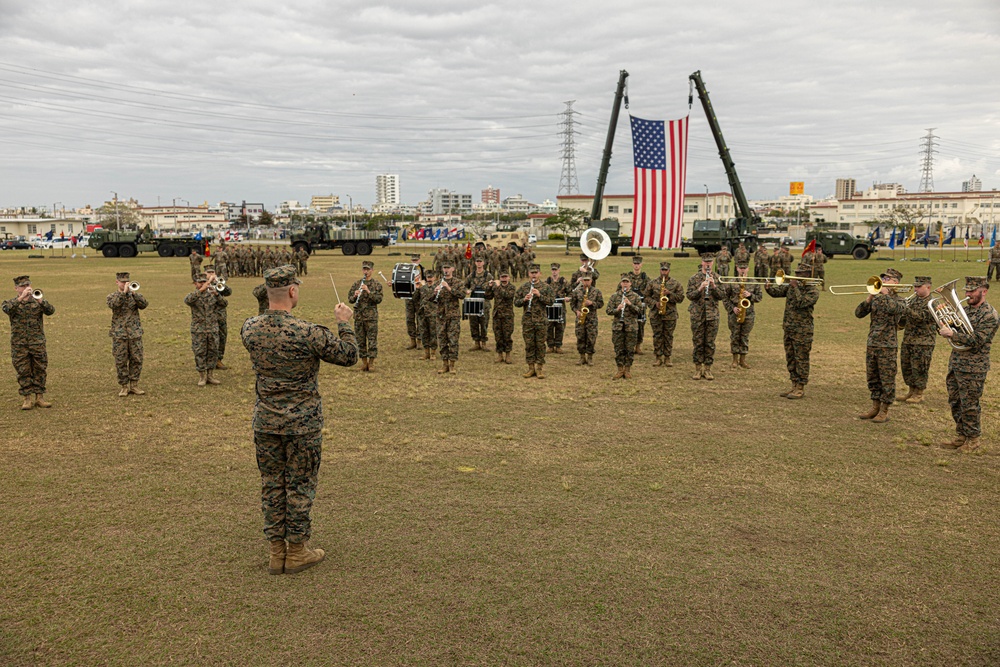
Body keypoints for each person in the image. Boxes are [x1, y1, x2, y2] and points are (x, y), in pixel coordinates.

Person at [241, 265, 358, 575]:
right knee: (300, 485)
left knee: (272, 485)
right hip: (301, 425)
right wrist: (344, 323)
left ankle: (276, 552)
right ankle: (296, 551)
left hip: (266, 422)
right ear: (292, 291)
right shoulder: (308, 332)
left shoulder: (250, 328)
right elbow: (348, 355)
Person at [938, 277, 998, 452]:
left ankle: (973, 439)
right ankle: (961, 435)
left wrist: (952, 334)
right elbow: (952, 329)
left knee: (970, 404)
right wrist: (942, 323)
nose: (967, 294)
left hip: (974, 367)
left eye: (972, 291)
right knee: (955, 401)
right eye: (966, 291)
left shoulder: (990, 315)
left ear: (984, 291)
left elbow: (978, 340)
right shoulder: (964, 310)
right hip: (956, 363)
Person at [855, 268, 907, 423]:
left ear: (895, 283)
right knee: (873, 377)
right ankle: (875, 406)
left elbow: (897, 310)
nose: (883, 280)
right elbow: (858, 313)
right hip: (872, 343)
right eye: (883, 278)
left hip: (888, 346)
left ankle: (884, 409)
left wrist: (885, 294)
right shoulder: (876, 298)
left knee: (887, 379)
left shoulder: (900, 300)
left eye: (887, 278)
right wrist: (870, 296)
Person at [766, 264, 820, 399]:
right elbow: (777, 293)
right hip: (789, 328)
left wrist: (795, 287)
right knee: (790, 357)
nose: (796, 275)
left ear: (807, 274)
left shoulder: (812, 290)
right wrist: (768, 288)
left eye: (799, 273)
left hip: (803, 330)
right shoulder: (792, 287)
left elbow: (801, 303)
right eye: (796, 273)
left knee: (801, 358)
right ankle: (793, 384)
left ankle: (801, 387)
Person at [3, 275, 55, 409]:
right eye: (23, 286)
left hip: (37, 342)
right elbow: (7, 309)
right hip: (19, 344)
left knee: (40, 369)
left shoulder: (37, 301)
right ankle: (27, 399)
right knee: (23, 370)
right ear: (16, 288)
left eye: (28, 285)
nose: (26, 288)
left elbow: (50, 311)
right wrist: (21, 298)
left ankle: (40, 397)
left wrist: (41, 301)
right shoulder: (12, 303)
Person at [107, 271, 148, 397]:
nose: (125, 283)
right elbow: (114, 305)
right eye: (122, 281)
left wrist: (134, 294)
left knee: (136, 359)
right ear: (117, 282)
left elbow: (144, 305)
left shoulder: (134, 296)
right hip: (120, 334)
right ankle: (124, 386)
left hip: (134, 333)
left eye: (127, 281)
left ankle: (134, 385)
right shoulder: (112, 296)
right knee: (121, 360)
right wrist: (124, 293)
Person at [898, 276, 937, 404]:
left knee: (920, 367)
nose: (916, 289)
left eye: (919, 287)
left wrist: (906, 309)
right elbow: (905, 319)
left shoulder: (933, 303)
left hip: (923, 341)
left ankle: (919, 393)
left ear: (928, 287)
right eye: (915, 286)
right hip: (909, 339)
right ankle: (911, 390)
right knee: (907, 366)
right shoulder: (913, 300)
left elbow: (922, 317)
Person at [686, 253, 724, 380]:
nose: (707, 264)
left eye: (710, 262)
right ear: (702, 262)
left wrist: (713, 286)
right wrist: (700, 288)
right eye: (705, 261)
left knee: (710, 342)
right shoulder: (694, 278)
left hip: (712, 315)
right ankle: (697, 369)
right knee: (698, 342)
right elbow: (690, 295)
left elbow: (722, 295)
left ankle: (707, 369)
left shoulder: (718, 278)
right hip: (698, 315)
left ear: (712, 263)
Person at [184, 271, 225, 386]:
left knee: (212, 351)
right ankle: (202, 376)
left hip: (212, 329)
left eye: (203, 282)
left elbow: (224, 304)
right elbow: (187, 300)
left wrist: (217, 294)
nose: (202, 284)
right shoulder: (194, 296)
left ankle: (210, 375)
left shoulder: (212, 294)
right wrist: (201, 291)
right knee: (200, 352)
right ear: (195, 284)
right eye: (199, 283)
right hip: (199, 330)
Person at [515, 263, 555, 378]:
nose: (534, 275)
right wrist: (524, 299)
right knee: (529, 344)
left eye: (536, 273)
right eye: (532, 273)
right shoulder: (523, 287)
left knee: (540, 345)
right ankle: (530, 368)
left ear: (540, 274)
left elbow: (551, 301)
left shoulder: (546, 287)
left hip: (541, 321)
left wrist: (540, 295)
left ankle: (539, 368)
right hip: (528, 321)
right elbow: (516, 302)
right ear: (528, 274)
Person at [643, 261, 685, 367]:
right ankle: (658, 357)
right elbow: (646, 296)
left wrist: (669, 294)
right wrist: (654, 303)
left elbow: (681, 298)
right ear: (660, 270)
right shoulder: (653, 283)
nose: (664, 272)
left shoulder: (675, 283)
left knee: (668, 336)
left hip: (670, 314)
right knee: (657, 335)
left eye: (666, 270)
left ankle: (667, 357)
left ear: (669, 271)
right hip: (656, 314)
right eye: (662, 270)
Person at [723, 262, 762, 369]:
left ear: (748, 269)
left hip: (748, 313)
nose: (742, 270)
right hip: (735, 312)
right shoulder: (731, 282)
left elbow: (759, 297)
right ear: (737, 268)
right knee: (735, 335)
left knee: (744, 336)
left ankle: (743, 360)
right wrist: (732, 308)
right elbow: (725, 298)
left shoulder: (754, 282)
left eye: (744, 268)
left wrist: (750, 295)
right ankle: (734, 360)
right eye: (740, 268)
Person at [606, 273, 642, 379]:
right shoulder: (615, 296)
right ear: (621, 283)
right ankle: (620, 369)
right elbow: (608, 310)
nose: (625, 284)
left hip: (631, 327)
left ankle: (627, 370)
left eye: (627, 282)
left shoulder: (635, 297)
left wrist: (630, 304)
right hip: (618, 327)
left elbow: (639, 311)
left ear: (630, 284)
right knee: (619, 348)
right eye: (623, 282)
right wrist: (617, 309)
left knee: (629, 349)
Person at [349, 260, 384, 372]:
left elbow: (379, 299)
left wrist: (368, 291)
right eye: (364, 269)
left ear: (372, 270)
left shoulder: (376, 284)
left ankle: (371, 363)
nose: (366, 271)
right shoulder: (356, 284)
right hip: (359, 317)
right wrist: (355, 295)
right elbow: (350, 299)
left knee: (372, 340)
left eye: (368, 269)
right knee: (360, 340)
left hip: (371, 317)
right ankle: (364, 363)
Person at [435, 262, 467, 374]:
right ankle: (444, 364)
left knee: (453, 340)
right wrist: (434, 292)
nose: (446, 270)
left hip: (453, 316)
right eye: (444, 268)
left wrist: (448, 288)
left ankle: (452, 364)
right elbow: (428, 298)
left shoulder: (458, 282)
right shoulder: (438, 282)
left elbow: (462, 295)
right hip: (441, 316)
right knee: (442, 340)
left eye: (448, 268)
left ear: (453, 269)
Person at [569, 271, 603, 365]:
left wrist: (592, 303)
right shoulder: (577, 291)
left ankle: (590, 357)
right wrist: (577, 311)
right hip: (580, 318)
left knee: (591, 337)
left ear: (591, 281)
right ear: (582, 281)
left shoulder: (596, 291)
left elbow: (601, 304)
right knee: (580, 337)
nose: (586, 282)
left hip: (592, 319)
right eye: (585, 280)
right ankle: (582, 357)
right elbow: (572, 304)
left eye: (588, 280)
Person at [204, 265, 233, 370]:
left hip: (220, 315)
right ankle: (208, 360)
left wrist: (217, 282)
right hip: (207, 316)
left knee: (222, 336)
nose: (211, 274)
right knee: (209, 338)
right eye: (209, 273)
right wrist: (208, 282)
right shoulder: (202, 283)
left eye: (213, 272)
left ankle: (218, 359)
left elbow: (229, 292)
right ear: (205, 274)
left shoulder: (219, 283)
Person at [485, 270, 516, 364]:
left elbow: (507, 295)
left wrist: (497, 287)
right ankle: (499, 354)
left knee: (507, 335)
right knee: (498, 336)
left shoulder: (511, 287)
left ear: (509, 278)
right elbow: (488, 296)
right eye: (502, 277)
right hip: (497, 315)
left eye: (505, 277)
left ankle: (508, 354)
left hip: (507, 315)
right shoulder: (496, 287)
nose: (504, 279)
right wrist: (489, 287)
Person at [465, 256, 493, 351]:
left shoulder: (488, 275)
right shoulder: (471, 275)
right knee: (474, 322)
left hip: (484, 302)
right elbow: (464, 286)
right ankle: (476, 342)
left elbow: (492, 287)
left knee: (484, 322)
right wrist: (467, 290)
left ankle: (484, 342)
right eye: (477, 261)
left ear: (484, 263)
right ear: (475, 263)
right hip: (473, 301)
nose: (479, 263)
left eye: (480, 261)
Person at [545, 263, 570, 354]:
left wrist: (568, 298)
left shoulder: (563, 281)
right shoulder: (547, 281)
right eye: (553, 270)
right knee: (549, 327)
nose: (554, 272)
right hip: (549, 307)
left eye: (556, 270)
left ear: (559, 270)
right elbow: (542, 292)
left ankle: (558, 345)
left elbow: (570, 292)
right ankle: (550, 346)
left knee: (560, 327)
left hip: (560, 307)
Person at [415, 270, 439, 360]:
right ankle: (426, 352)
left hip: (433, 313)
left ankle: (433, 352)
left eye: (431, 277)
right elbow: (415, 299)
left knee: (433, 333)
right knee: (424, 333)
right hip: (423, 313)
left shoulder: (437, 288)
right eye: (428, 277)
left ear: (435, 278)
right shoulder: (422, 288)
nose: (429, 279)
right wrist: (417, 289)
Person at [628, 256, 650, 355]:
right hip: (630, 305)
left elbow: (650, 291)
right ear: (632, 264)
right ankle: (630, 346)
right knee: (630, 325)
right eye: (635, 264)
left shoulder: (645, 278)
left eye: (638, 264)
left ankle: (638, 346)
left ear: (641, 265)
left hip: (641, 305)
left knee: (640, 325)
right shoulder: (627, 278)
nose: (636, 266)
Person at [405, 254, 424, 350]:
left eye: (416, 260)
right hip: (409, 297)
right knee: (409, 319)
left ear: (419, 260)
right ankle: (412, 340)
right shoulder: (406, 270)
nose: (414, 262)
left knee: (420, 319)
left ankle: (419, 340)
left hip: (419, 297)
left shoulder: (423, 270)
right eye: (413, 260)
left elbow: (426, 282)